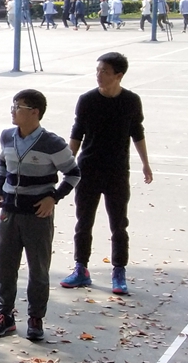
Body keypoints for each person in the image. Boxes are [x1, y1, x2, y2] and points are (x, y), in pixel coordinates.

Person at [0, 89, 80, 342]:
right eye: (13, 105)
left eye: (18, 106)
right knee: (5, 266)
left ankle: (35, 318)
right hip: (9, 213)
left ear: (35, 112)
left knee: (38, 268)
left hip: (37, 216)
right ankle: (4, 316)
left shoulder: (53, 143)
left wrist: (54, 197)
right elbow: (2, 164)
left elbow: (73, 173)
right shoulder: (7, 136)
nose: (13, 110)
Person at [61, 52, 153, 296]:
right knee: (84, 222)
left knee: (119, 224)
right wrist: (68, 164)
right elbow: (77, 133)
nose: (99, 75)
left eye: (105, 71)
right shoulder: (87, 100)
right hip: (88, 170)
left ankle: (119, 270)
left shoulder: (131, 101)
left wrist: (145, 163)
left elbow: (137, 132)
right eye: (98, 70)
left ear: (118, 76)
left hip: (117, 171)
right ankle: (81, 269)